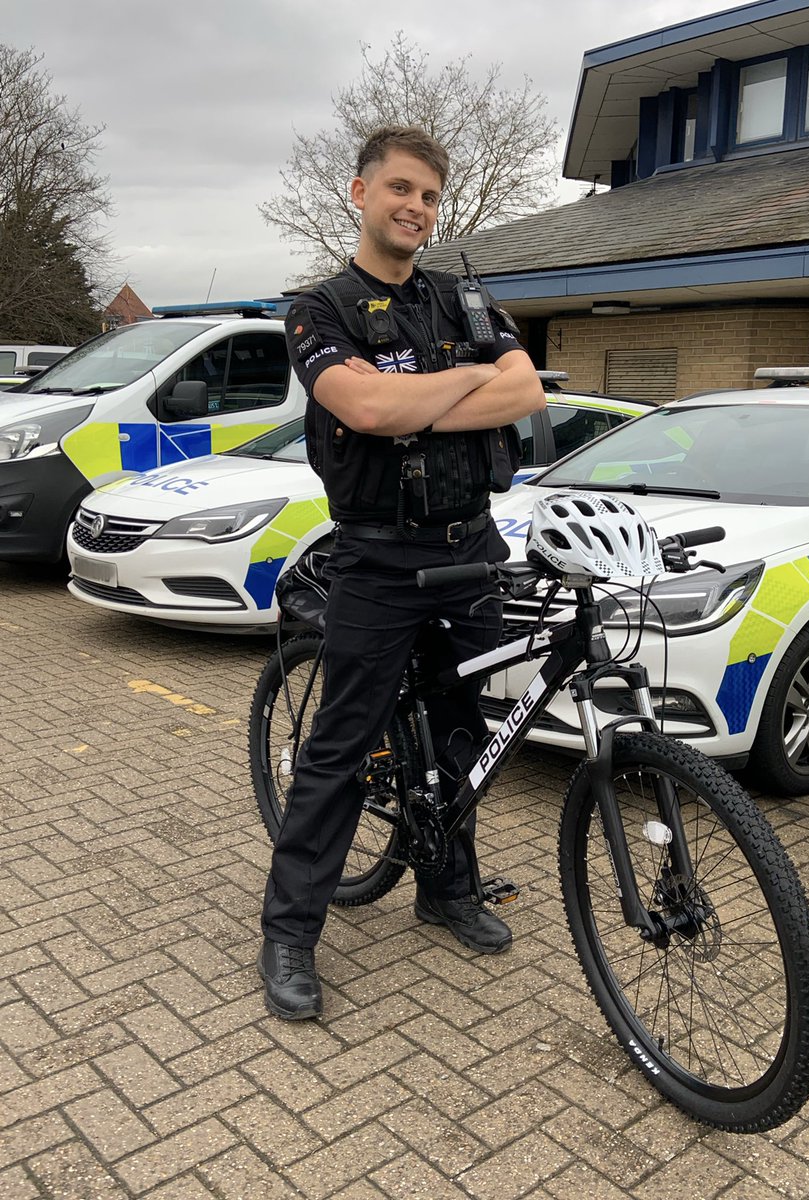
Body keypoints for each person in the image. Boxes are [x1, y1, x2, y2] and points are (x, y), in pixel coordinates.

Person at [258, 125, 545, 1020]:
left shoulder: (466, 300)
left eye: (428, 196)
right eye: (400, 189)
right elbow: (366, 407)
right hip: (378, 558)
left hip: (471, 551)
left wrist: (413, 402)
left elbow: (527, 392)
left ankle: (446, 889)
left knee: (463, 735)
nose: (416, 207)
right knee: (340, 751)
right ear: (361, 192)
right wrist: (459, 386)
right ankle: (289, 933)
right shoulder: (319, 309)